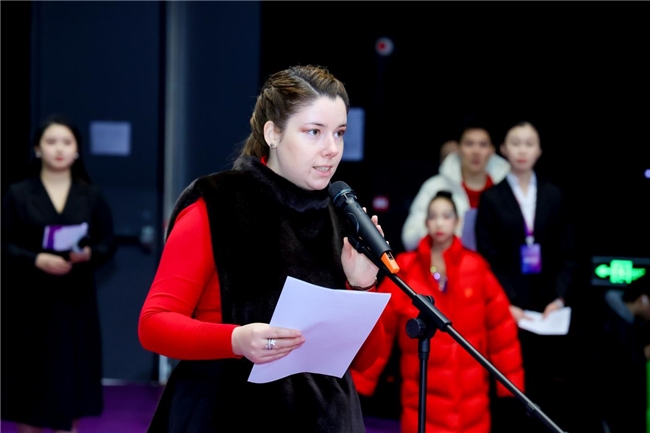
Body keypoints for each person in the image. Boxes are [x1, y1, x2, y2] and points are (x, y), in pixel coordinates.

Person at [137, 64, 386, 432]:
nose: (332, 149)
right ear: (273, 133)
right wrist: (236, 339)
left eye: (339, 133)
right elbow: (154, 324)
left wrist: (362, 286)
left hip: (325, 418)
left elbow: (365, 360)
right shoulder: (217, 204)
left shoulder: (341, 215)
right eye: (314, 132)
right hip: (226, 412)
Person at [352, 190, 525, 433]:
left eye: (446, 216)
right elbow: (380, 328)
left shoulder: (476, 268)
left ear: (457, 221)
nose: (440, 223)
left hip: (472, 402)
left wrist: (511, 385)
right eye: (433, 216)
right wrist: (360, 382)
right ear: (425, 222)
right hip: (422, 399)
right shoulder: (406, 270)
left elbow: (502, 331)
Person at [1, 114, 117, 433]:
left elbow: (108, 242)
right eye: (51, 142)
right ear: (37, 148)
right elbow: (4, 243)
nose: (59, 149)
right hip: (28, 304)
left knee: (71, 380)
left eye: (66, 142)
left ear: (77, 149)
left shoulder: (90, 194)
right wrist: (35, 259)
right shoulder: (18, 193)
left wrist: (89, 254)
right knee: (29, 384)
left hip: (74, 302)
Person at [475, 121, 577, 433]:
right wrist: (507, 303)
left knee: (547, 388)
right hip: (508, 307)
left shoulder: (553, 195)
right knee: (509, 390)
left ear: (539, 150)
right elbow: (488, 258)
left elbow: (567, 252)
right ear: (503, 149)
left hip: (548, 307)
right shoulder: (491, 198)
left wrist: (559, 298)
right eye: (515, 143)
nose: (522, 150)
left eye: (529, 143)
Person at [401, 121, 509, 252]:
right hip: (446, 262)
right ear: (458, 149)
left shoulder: (508, 188)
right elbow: (409, 238)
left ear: (492, 150)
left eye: (483, 144)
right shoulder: (435, 186)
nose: (476, 151)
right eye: (469, 144)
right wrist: (443, 229)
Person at [597, 275, 650, 433]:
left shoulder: (633, 323)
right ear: (643, 299)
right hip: (614, 411)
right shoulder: (610, 323)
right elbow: (621, 369)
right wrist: (643, 355)